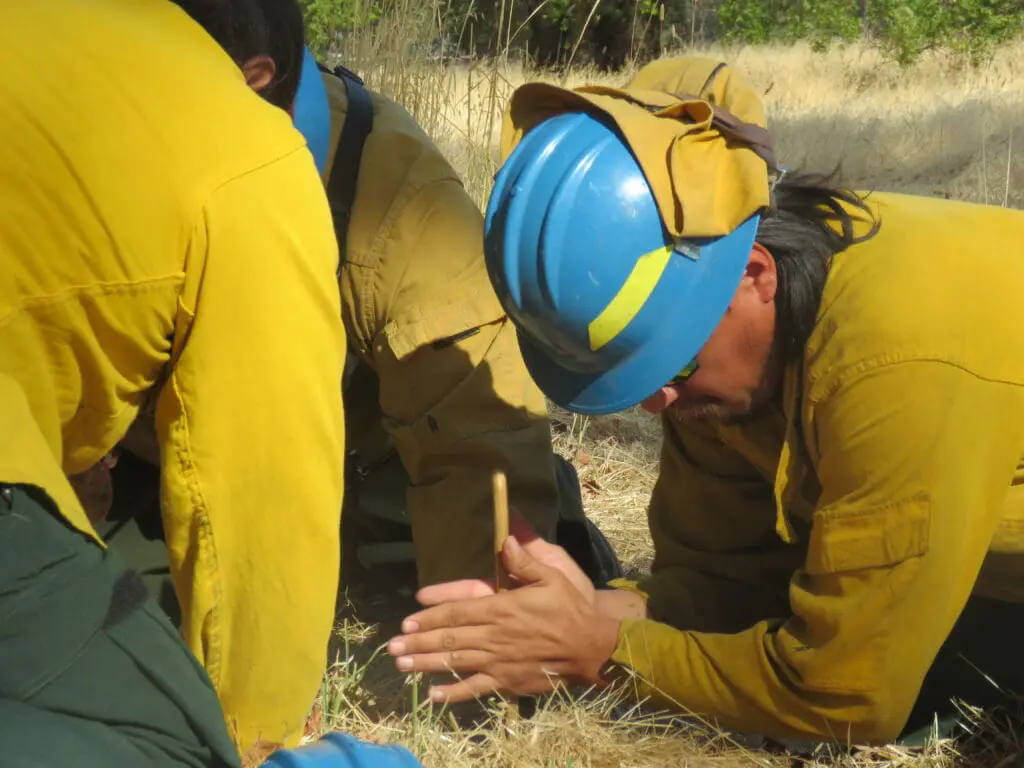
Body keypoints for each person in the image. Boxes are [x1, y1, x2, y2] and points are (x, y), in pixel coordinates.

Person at [384, 55, 1024, 747]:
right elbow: (728, 585)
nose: (658, 400)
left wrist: (598, 653)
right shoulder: (715, 353)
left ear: (757, 275)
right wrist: (591, 611)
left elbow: (846, 695)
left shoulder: (896, 360)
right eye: (633, 376)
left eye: (673, 363)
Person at [101, 45, 622, 593]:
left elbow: (481, 445)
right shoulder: (81, 158)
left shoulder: (408, 217)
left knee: (477, 560)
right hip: (169, 454)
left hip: (368, 452)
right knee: (118, 600)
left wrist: (484, 623)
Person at [0, 0, 348, 764]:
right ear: (260, 85)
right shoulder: (254, 154)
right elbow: (267, 505)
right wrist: (255, 741)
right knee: (171, 732)